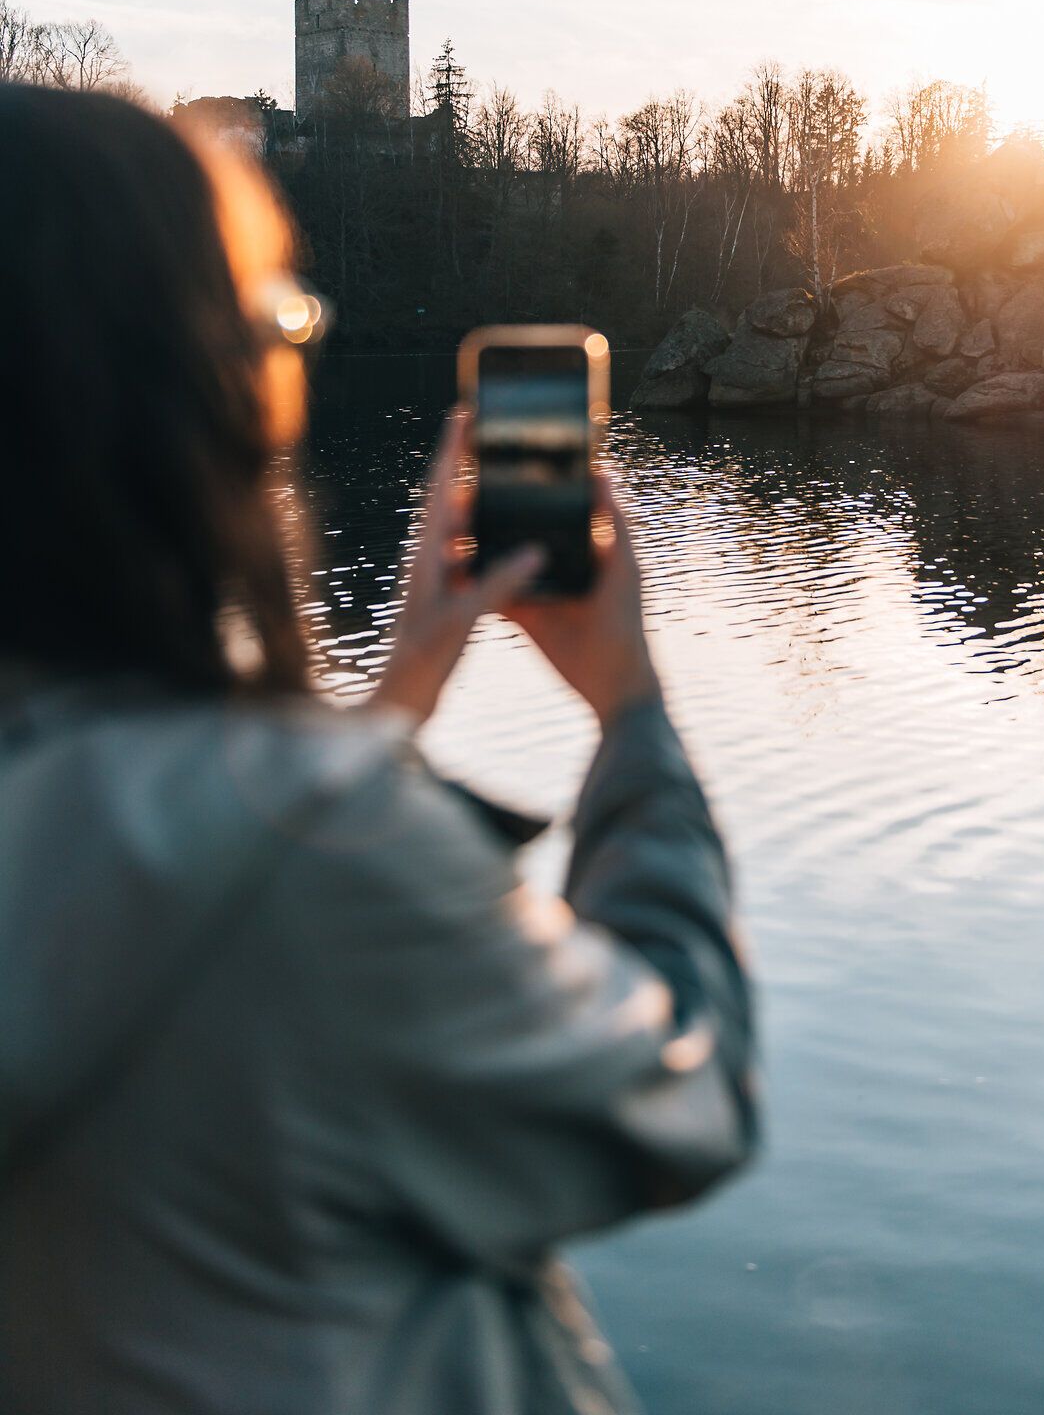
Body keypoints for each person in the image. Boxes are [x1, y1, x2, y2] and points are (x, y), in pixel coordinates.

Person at [0, 84, 756, 1414]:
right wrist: (631, 712)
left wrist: (397, 694)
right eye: (281, 324)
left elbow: (150, 895)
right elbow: (672, 1096)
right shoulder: (321, 873)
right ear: (196, 391)